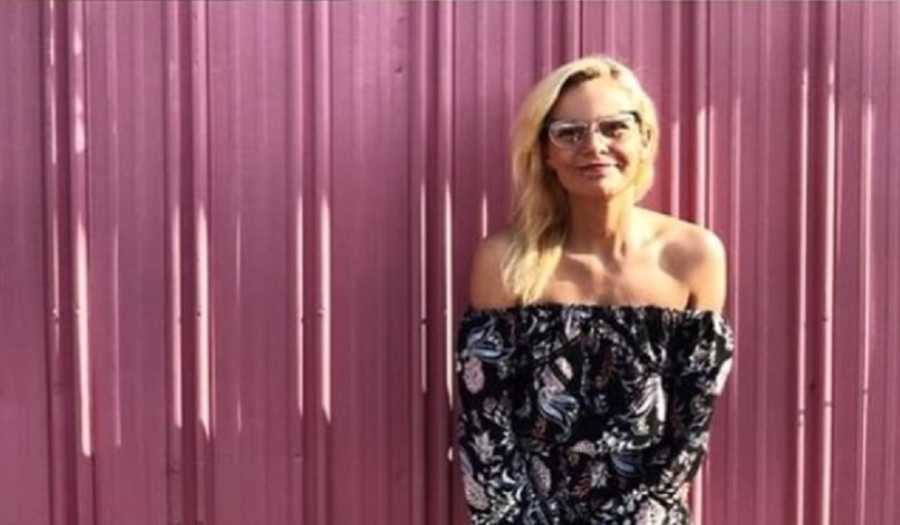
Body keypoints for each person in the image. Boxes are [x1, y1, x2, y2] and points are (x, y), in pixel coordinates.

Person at [454, 55, 736, 524]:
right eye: (569, 132)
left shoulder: (694, 257)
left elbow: (687, 435)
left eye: (614, 127)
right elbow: (484, 429)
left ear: (644, 138)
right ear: (545, 151)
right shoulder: (505, 261)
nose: (594, 146)